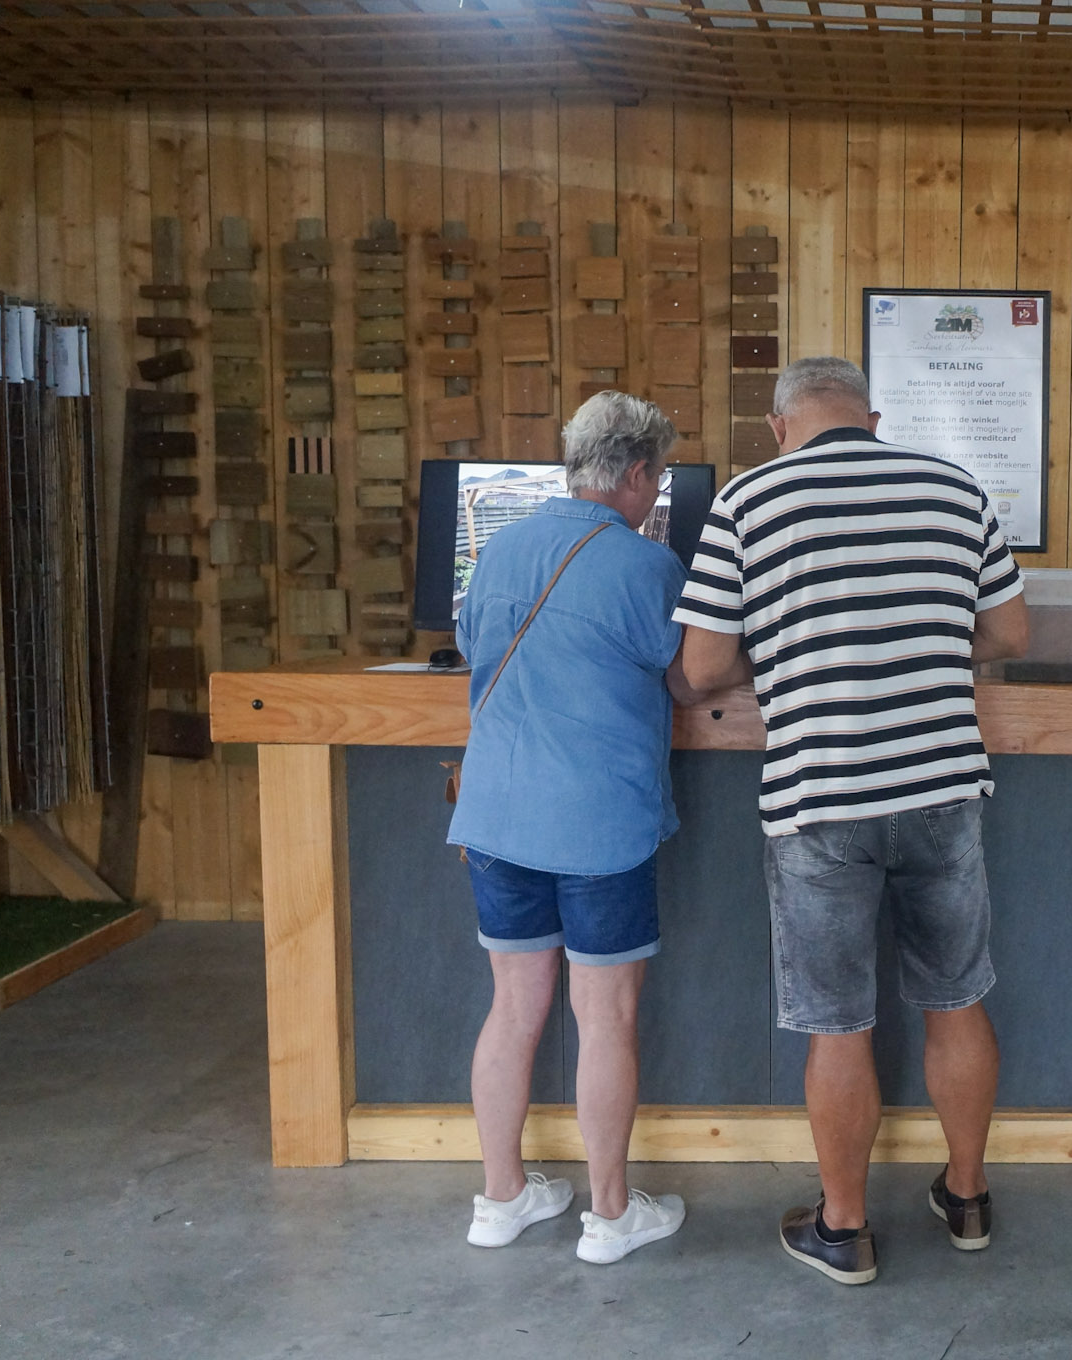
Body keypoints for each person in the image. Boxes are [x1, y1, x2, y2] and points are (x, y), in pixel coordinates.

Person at [671, 356, 1030, 1285]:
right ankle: (967, 1198)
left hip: (821, 795)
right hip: (942, 789)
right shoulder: (955, 489)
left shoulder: (750, 502)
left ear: (780, 424)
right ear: (870, 416)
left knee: (840, 1027)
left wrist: (792, 650)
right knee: (957, 999)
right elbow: (1010, 634)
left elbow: (704, 669)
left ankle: (844, 1230)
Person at [449, 391, 702, 1265]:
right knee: (605, 1016)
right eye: (658, 479)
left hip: (493, 813)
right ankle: (609, 1214)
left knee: (513, 1007)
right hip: (597, 823)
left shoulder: (499, 549)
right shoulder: (647, 567)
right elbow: (687, 682)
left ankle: (500, 1198)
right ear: (634, 474)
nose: (657, 495)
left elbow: (476, 651)